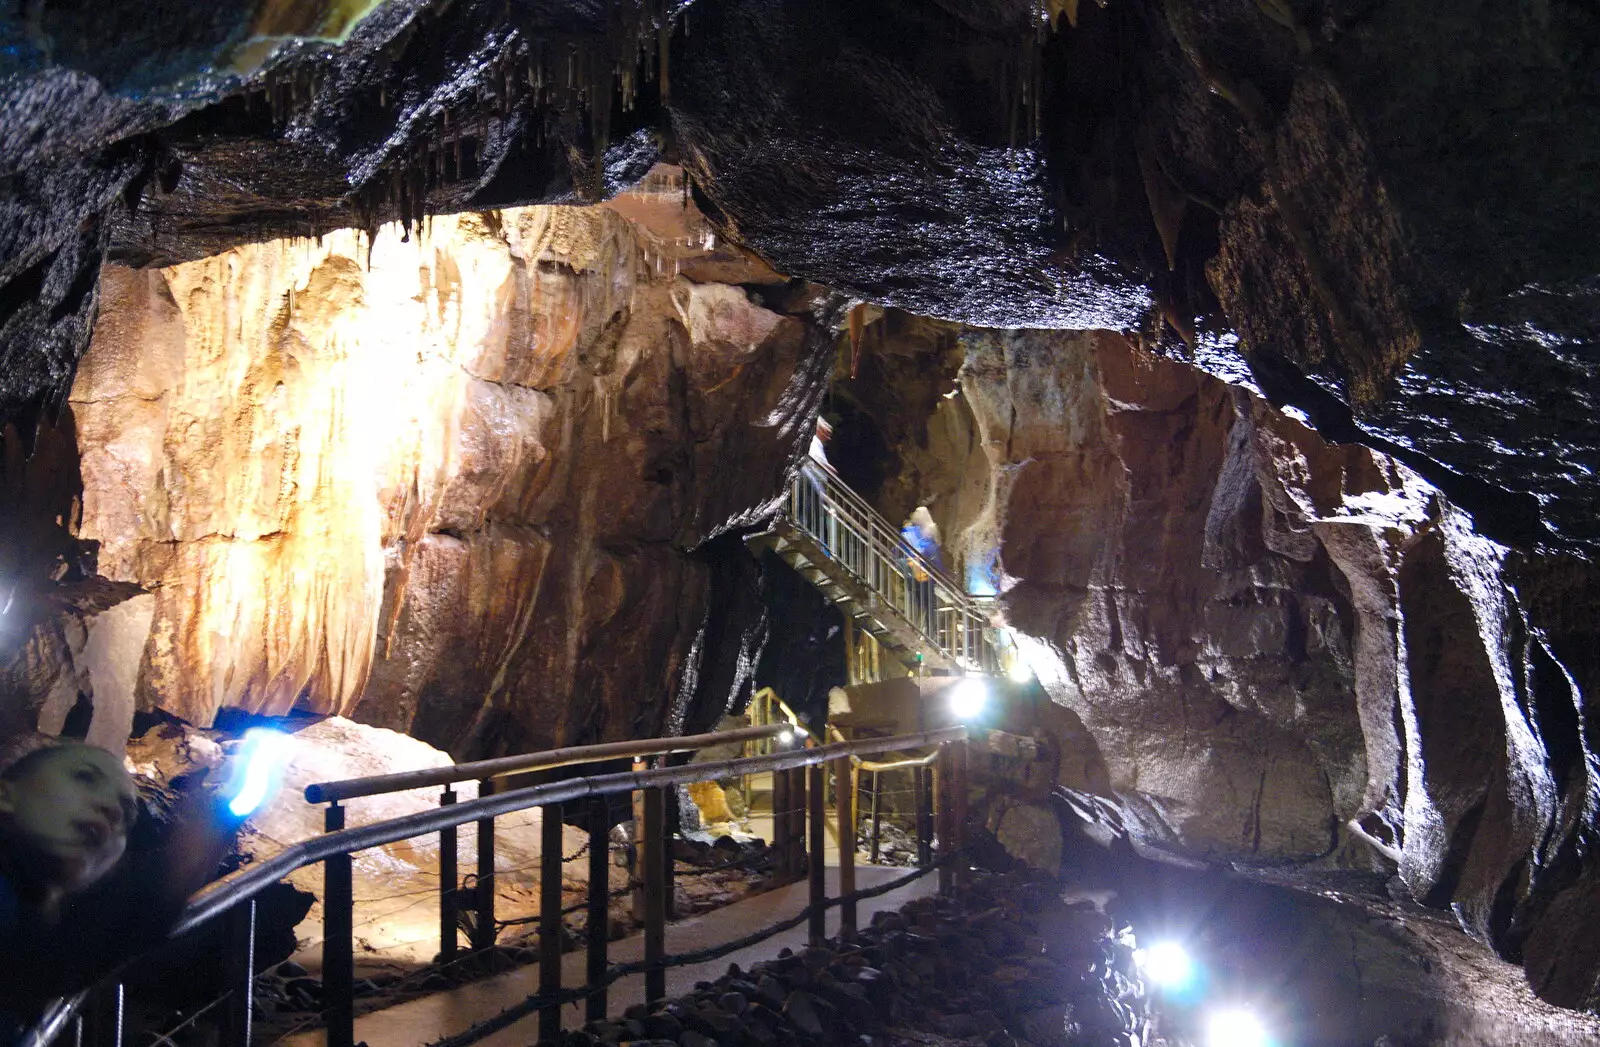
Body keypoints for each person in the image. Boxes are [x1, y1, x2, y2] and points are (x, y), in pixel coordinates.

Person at [0, 740, 244, 1042]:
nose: (112, 809)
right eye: (84, 777)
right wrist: (170, 878)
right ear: (5, 795)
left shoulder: (30, 915)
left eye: (128, 814)